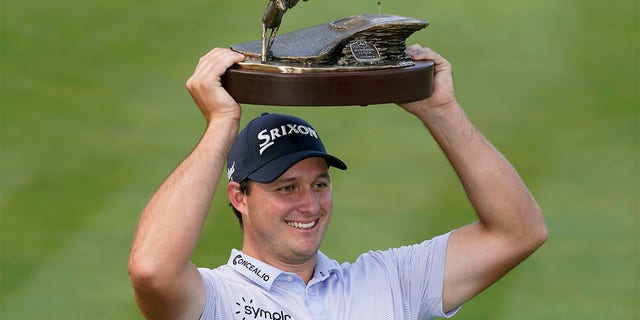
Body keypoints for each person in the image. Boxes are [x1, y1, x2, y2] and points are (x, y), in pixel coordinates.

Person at [128, 44, 548, 320]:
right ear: (240, 196)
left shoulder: (389, 282)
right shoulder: (213, 299)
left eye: (320, 185)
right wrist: (222, 123)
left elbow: (517, 232)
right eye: (286, 187)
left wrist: (441, 109)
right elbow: (151, 270)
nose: (310, 205)